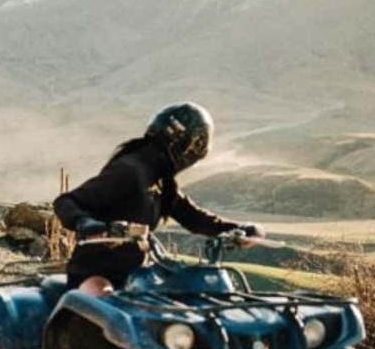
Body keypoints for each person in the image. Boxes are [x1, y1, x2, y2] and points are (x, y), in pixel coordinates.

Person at [53, 103, 265, 295]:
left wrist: (240, 229)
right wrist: (86, 223)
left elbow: (193, 217)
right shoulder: (129, 170)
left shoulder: (161, 179)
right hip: (96, 271)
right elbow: (67, 201)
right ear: (184, 145)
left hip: (138, 275)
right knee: (104, 303)